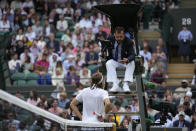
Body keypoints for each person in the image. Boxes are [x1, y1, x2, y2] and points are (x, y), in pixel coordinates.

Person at [105, 26, 135, 92]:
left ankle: (126, 84)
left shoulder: (129, 42)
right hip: (115, 61)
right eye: (117, 37)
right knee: (108, 63)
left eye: (121, 37)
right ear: (114, 35)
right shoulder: (110, 39)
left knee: (132, 62)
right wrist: (104, 53)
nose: (119, 38)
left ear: (124, 35)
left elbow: (132, 54)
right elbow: (105, 49)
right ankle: (115, 84)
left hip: (125, 61)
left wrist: (127, 59)